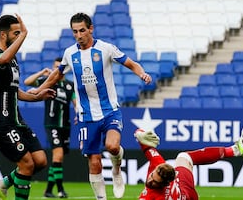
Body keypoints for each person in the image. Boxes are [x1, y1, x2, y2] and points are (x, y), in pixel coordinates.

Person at [29, 12, 152, 200]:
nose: (79, 35)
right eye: (75, 31)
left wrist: (141, 73)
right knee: (94, 161)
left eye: (82, 30)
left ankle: (117, 171)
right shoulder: (70, 53)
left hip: (110, 110)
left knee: (112, 146)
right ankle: (101, 199)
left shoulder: (106, 49)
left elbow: (130, 63)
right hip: (86, 115)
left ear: (91, 29)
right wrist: (40, 89)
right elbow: (57, 75)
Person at [0, 14, 56, 200]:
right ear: (3, 35)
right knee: (26, 164)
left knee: (40, 161)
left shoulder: (13, 61)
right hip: (0, 122)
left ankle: (4, 183)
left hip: (16, 120)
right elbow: (3, 59)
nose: (18, 36)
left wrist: (38, 96)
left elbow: (16, 92)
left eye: (19, 33)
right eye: (15, 33)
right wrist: (24, 35)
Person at [134, 125, 243, 200]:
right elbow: (140, 135)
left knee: (184, 157)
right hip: (185, 190)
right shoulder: (157, 163)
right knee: (184, 157)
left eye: (154, 182)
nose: (150, 180)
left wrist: (139, 134)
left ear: (165, 184)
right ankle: (235, 150)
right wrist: (140, 134)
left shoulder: (153, 197)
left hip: (184, 192)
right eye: (151, 176)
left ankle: (235, 150)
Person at [24, 57, 76, 198]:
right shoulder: (48, 82)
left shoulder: (70, 85)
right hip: (52, 124)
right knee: (58, 156)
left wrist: (78, 114)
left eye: (60, 67)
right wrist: (42, 72)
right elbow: (27, 82)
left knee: (57, 159)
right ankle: (60, 190)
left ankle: (48, 190)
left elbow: (76, 102)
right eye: (55, 67)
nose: (57, 69)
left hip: (65, 125)